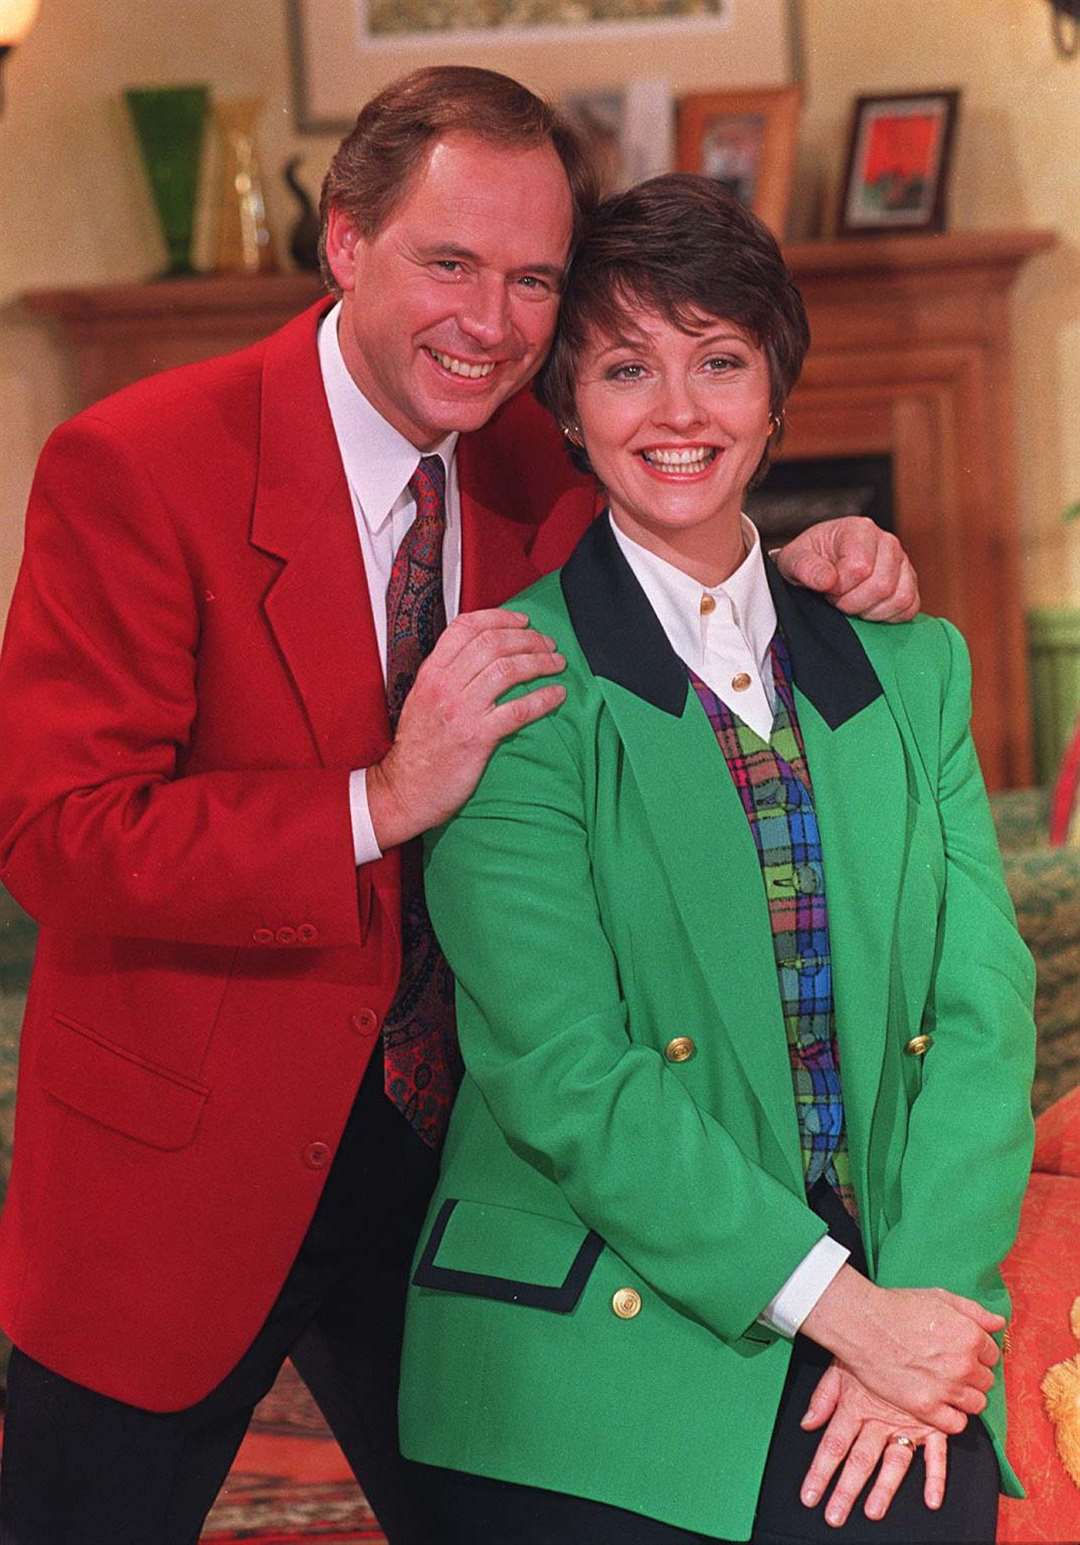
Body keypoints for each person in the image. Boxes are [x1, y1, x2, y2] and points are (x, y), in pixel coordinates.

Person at [0, 71, 918, 1545]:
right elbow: (59, 835)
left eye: (535, 279)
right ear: (345, 241)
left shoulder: (537, 463)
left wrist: (813, 570)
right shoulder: (137, 466)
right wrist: (377, 798)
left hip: (454, 1173)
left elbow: (681, 536)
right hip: (180, 1180)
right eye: (448, 263)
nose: (490, 322)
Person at [399, 174, 1037, 1544]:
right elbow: (565, 1073)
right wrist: (853, 1314)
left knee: (930, 1508)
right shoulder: (514, 689)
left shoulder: (908, 664)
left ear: (774, 393)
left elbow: (984, 1013)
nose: (679, 413)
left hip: (878, 1294)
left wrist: (925, 1311)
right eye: (628, 367)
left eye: (720, 361)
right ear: (567, 409)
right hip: (596, 1316)